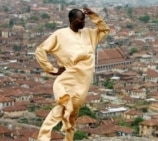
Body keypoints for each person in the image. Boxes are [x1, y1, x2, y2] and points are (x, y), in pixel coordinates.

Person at [35, 7, 110, 141]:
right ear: (72, 20)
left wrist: (94, 16)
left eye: (84, 19)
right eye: (81, 20)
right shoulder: (60, 34)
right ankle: (44, 136)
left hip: (84, 79)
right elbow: (40, 50)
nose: (84, 22)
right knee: (64, 102)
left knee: (73, 110)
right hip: (70, 75)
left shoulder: (89, 33)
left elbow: (105, 30)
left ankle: (67, 137)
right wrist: (52, 70)